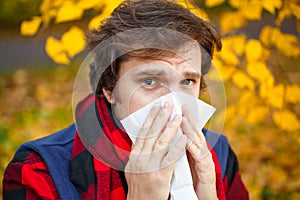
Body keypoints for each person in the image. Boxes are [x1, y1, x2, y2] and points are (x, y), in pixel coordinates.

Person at [3, 0, 249, 199]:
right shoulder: (38, 173)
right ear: (110, 88)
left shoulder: (219, 156)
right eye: (150, 81)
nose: (172, 103)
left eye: (187, 81)